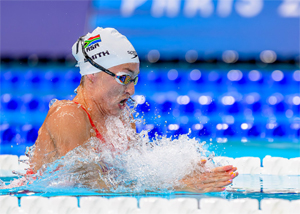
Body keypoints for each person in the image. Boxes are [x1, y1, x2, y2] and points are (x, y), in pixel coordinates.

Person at [28, 27, 238, 192]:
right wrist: (178, 185)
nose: (131, 89)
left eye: (134, 79)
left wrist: (183, 172)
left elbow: (133, 175)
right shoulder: (68, 116)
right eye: (124, 78)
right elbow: (88, 185)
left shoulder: (121, 118)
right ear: (92, 74)